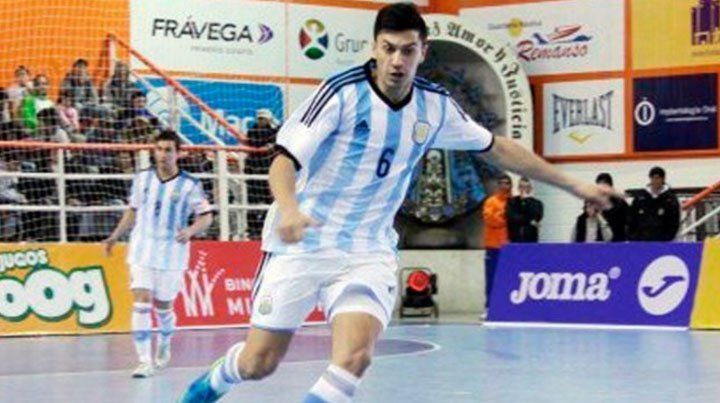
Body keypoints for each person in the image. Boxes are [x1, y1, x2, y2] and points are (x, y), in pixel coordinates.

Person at [180, 4, 614, 402]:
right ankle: (210, 385)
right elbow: (283, 161)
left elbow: (497, 148)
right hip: (303, 243)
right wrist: (290, 209)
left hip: (366, 250)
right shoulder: (340, 93)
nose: (397, 61)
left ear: (423, 51)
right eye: (388, 49)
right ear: (374, 47)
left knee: (354, 358)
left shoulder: (435, 106)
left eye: (407, 50)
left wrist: (574, 185)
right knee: (259, 363)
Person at [102, 129, 214, 378]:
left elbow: (206, 216)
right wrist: (114, 236)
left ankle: (164, 340)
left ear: (178, 153)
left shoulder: (190, 185)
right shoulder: (142, 178)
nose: (163, 155)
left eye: (168, 150)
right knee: (141, 300)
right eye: (159, 149)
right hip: (142, 248)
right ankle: (144, 360)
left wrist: (190, 230)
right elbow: (132, 210)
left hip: (172, 253)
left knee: (164, 306)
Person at [245, 108, 279, 239]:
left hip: (268, 171)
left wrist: (272, 143)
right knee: (252, 203)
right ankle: (253, 230)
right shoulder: (253, 131)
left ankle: (268, 228)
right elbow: (256, 142)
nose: (261, 121)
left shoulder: (274, 131)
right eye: (260, 119)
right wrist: (270, 143)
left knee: (269, 202)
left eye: (264, 119)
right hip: (254, 171)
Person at [482, 174, 511, 311]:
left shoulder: (513, 202)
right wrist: (504, 217)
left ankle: (506, 306)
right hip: (493, 246)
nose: (505, 186)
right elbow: (490, 220)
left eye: (507, 183)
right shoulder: (491, 202)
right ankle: (489, 306)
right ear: (498, 185)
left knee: (509, 278)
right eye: (502, 183)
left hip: (509, 247)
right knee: (492, 278)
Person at [628, 166, 680, 241]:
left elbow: (674, 221)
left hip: (662, 240)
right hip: (641, 240)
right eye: (653, 178)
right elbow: (632, 218)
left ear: (663, 179)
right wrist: (633, 237)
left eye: (658, 178)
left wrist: (668, 238)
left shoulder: (670, 199)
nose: (656, 181)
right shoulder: (640, 197)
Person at [506, 176, 543, 243]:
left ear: (530, 189)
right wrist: (530, 221)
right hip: (514, 239)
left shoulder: (537, 203)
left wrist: (526, 200)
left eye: (526, 187)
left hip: (531, 239)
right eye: (521, 187)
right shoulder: (512, 202)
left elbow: (536, 217)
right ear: (518, 188)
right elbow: (512, 218)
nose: (524, 189)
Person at [594, 172, 628, 242]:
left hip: (617, 242)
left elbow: (628, 223)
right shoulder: (594, 203)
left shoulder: (620, 203)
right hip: (599, 243)